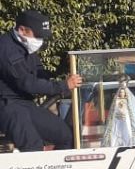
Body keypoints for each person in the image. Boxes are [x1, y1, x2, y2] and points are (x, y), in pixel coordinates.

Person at [0, 10, 82, 152]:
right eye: (37, 36)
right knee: (33, 147)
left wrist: (63, 73)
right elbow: (27, 83)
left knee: (67, 137)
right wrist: (63, 86)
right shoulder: (6, 49)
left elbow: (39, 74)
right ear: (22, 30)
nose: (39, 40)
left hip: (26, 104)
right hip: (8, 106)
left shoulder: (26, 46)